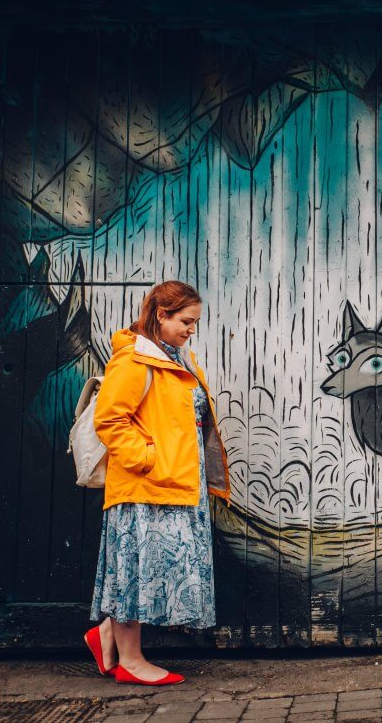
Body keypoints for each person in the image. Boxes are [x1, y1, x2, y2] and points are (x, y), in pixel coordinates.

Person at [82, 280, 230, 686]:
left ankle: (107, 634)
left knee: (157, 570)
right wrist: (146, 458)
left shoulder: (178, 358)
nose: (191, 330)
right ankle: (130, 661)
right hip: (145, 487)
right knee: (136, 573)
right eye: (186, 321)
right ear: (161, 315)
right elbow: (110, 419)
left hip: (176, 483)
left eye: (195, 323)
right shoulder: (134, 359)